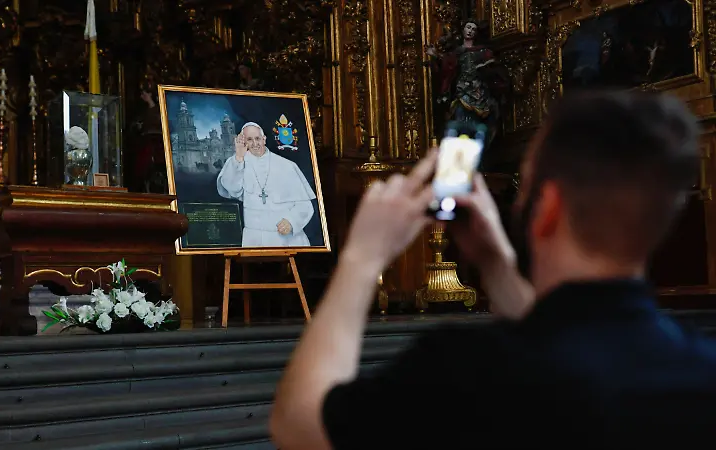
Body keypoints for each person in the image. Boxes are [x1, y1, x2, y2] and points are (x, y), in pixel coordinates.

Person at [269, 90, 716, 449]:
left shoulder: (465, 371)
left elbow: (300, 426)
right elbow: (564, 341)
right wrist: (496, 263)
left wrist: (361, 258)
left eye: (525, 186)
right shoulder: (700, 370)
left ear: (548, 207)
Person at [216, 122, 317, 247]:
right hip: (253, 239)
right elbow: (232, 189)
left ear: (264, 139)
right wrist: (239, 158)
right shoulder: (236, 162)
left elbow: (305, 205)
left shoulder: (286, 165)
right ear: (243, 142)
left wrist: (291, 222)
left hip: (285, 239)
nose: (255, 143)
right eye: (249, 139)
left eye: (257, 138)